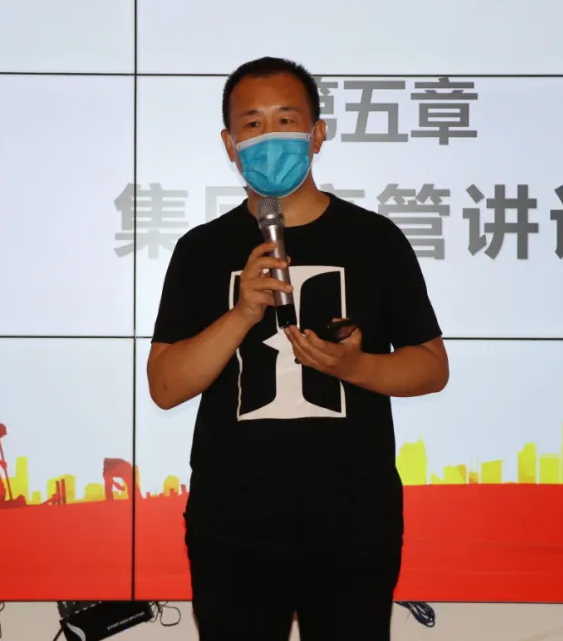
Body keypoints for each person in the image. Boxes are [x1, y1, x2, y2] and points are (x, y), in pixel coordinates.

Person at [147, 56, 448, 641]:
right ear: (229, 144)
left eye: (286, 120)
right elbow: (165, 386)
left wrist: (357, 366)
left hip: (354, 524)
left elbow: (431, 367)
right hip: (231, 526)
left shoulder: (375, 239)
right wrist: (242, 312)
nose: (269, 137)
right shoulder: (201, 250)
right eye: (252, 124)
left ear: (317, 133)